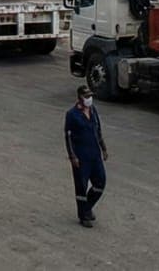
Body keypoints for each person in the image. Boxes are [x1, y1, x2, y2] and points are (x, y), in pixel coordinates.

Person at [65, 84, 108, 227]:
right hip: (81, 156)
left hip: (94, 153)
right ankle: (83, 215)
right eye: (86, 96)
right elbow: (68, 137)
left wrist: (103, 148)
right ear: (79, 98)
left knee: (100, 182)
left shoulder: (93, 110)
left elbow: (98, 130)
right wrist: (73, 156)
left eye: (90, 96)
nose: (89, 99)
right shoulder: (72, 115)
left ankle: (87, 207)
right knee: (81, 186)